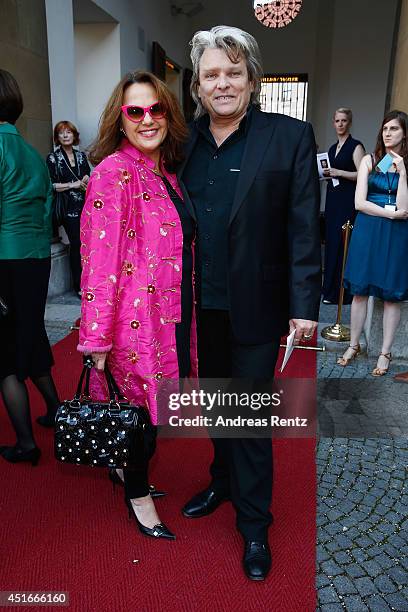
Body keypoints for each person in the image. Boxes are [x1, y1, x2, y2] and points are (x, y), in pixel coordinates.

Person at [179, 26, 321, 580]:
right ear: (197, 85)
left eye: (233, 72)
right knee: (213, 405)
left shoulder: (289, 136)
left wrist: (304, 305)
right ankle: (222, 478)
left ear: (252, 78)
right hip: (197, 307)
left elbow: (304, 228)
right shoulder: (181, 143)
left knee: (252, 418)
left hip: (259, 307)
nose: (222, 83)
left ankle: (255, 524)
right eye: (211, 74)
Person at [78, 70, 197, 541]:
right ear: (120, 120)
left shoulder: (165, 173)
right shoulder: (114, 173)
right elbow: (99, 261)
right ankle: (138, 497)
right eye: (135, 111)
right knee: (139, 417)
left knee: (149, 409)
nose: (147, 119)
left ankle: (126, 472)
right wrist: (95, 338)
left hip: (167, 316)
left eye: (156, 109)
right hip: (132, 323)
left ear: (168, 112)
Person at [0, 69, 61, 463]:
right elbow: (47, 211)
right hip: (36, 257)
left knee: (4, 355)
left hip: (4, 258)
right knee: (33, 333)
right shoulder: (33, 152)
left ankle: (25, 444)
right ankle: (56, 409)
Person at [338, 110, 408, 375]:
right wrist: (389, 214)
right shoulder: (369, 159)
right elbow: (359, 203)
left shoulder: (406, 165)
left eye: (394, 129)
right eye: (385, 128)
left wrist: (402, 173)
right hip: (369, 228)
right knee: (359, 290)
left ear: (405, 134)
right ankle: (354, 344)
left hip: (397, 234)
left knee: (391, 295)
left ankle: (385, 352)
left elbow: (405, 207)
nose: (387, 133)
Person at [322, 108, 365, 304]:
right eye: (337, 120)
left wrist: (339, 172)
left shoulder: (356, 146)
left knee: (343, 244)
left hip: (348, 201)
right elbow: (332, 173)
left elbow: (363, 175)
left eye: (344, 120)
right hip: (333, 199)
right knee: (331, 243)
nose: (340, 124)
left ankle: (342, 294)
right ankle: (329, 290)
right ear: (333, 123)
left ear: (350, 123)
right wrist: (327, 175)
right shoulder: (331, 149)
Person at [46, 121, 91, 295]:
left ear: (74, 135)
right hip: (67, 207)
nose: (65, 136)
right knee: (76, 242)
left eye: (68, 132)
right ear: (57, 138)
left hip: (84, 205)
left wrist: (86, 179)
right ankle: (79, 286)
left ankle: (88, 282)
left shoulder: (81, 156)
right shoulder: (53, 158)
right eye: (61, 133)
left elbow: (87, 176)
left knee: (86, 244)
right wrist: (74, 185)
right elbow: (51, 185)